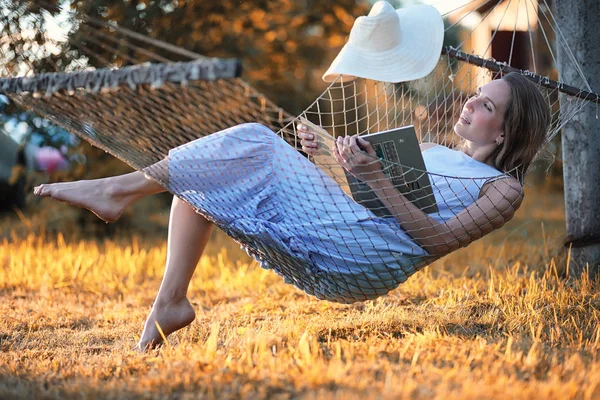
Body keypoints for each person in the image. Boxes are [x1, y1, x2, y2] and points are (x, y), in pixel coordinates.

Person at [33, 71, 551, 350]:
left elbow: (435, 241)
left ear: (505, 131)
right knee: (204, 179)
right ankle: (169, 304)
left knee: (255, 142)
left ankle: (116, 192)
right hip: (347, 229)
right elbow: (368, 200)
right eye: (477, 93)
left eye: (486, 104)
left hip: (363, 260)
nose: (470, 102)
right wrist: (331, 156)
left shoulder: (502, 191)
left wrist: (374, 179)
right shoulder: (438, 153)